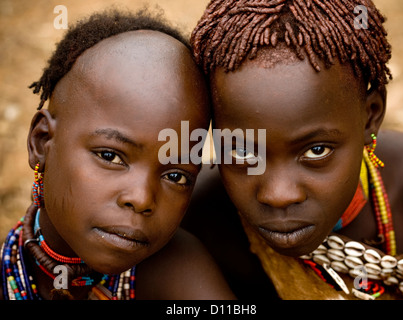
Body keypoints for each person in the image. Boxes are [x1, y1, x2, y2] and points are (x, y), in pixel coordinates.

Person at [182, 0, 403, 300]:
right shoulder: (199, 222)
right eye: (243, 154)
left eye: (317, 150)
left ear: (371, 115)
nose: (279, 195)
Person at [0, 9, 236, 300]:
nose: (140, 198)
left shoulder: (176, 270)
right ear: (41, 142)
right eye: (110, 156)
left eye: (176, 175)